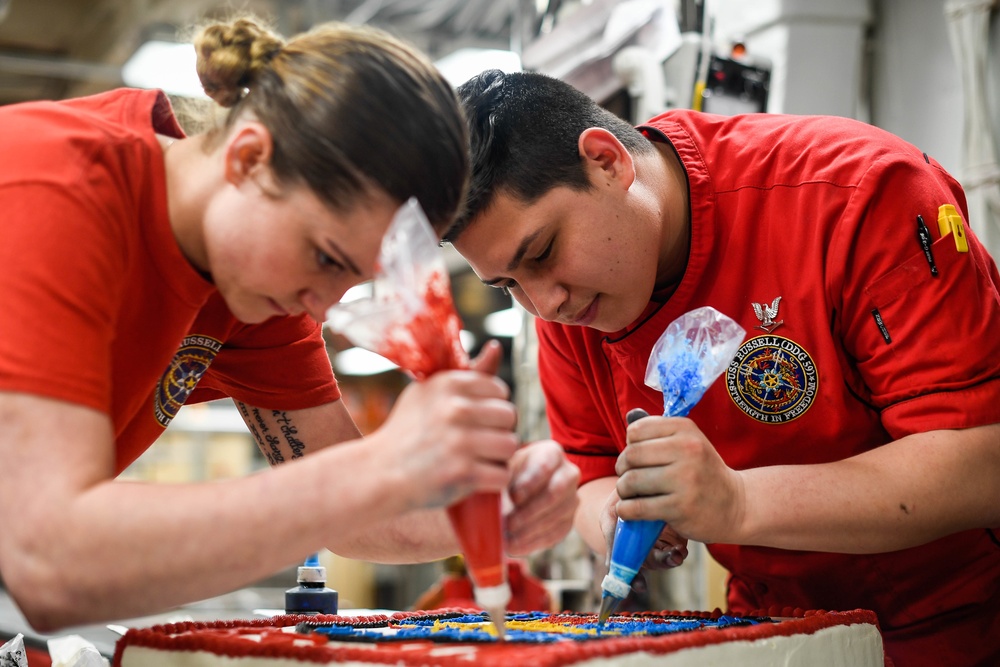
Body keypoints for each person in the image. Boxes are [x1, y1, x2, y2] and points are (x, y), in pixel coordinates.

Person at [0, 22, 580, 633]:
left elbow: (354, 516)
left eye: (350, 278)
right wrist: (382, 464)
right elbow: (44, 557)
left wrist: (489, 513)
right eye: (327, 257)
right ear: (249, 157)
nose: (323, 307)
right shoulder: (58, 189)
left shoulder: (256, 293)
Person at [446, 68, 1000, 665]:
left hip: (964, 621)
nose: (544, 305)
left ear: (607, 162)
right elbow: (590, 473)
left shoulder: (857, 194)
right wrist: (618, 518)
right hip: (773, 630)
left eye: (543, 252)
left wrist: (737, 503)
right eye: (508, 285)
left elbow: (981, 464)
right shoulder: (569, 304)